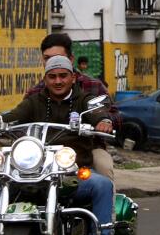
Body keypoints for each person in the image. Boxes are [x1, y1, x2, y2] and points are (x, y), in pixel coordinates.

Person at [0, 56, 115, 235]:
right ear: (46, 79)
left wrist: (103, 122)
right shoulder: (35, 101)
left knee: (102, 185)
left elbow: (98, 113)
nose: (58, 81)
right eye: (52, 77)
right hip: (37, 171)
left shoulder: (84, 100)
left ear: (72, 78)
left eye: (63, 76)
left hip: (71, 173)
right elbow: (15, 115)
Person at [35, 31, 119, 180]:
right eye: (47, 58)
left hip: (89, 149)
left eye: (58, 58)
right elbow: (20, 115)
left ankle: (107, 203)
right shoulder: (36, 91)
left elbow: (114, 115)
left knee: (104, 170)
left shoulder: (93, 86)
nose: (52, 63)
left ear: (71, 59)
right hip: (45, 151)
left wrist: (104, 122)